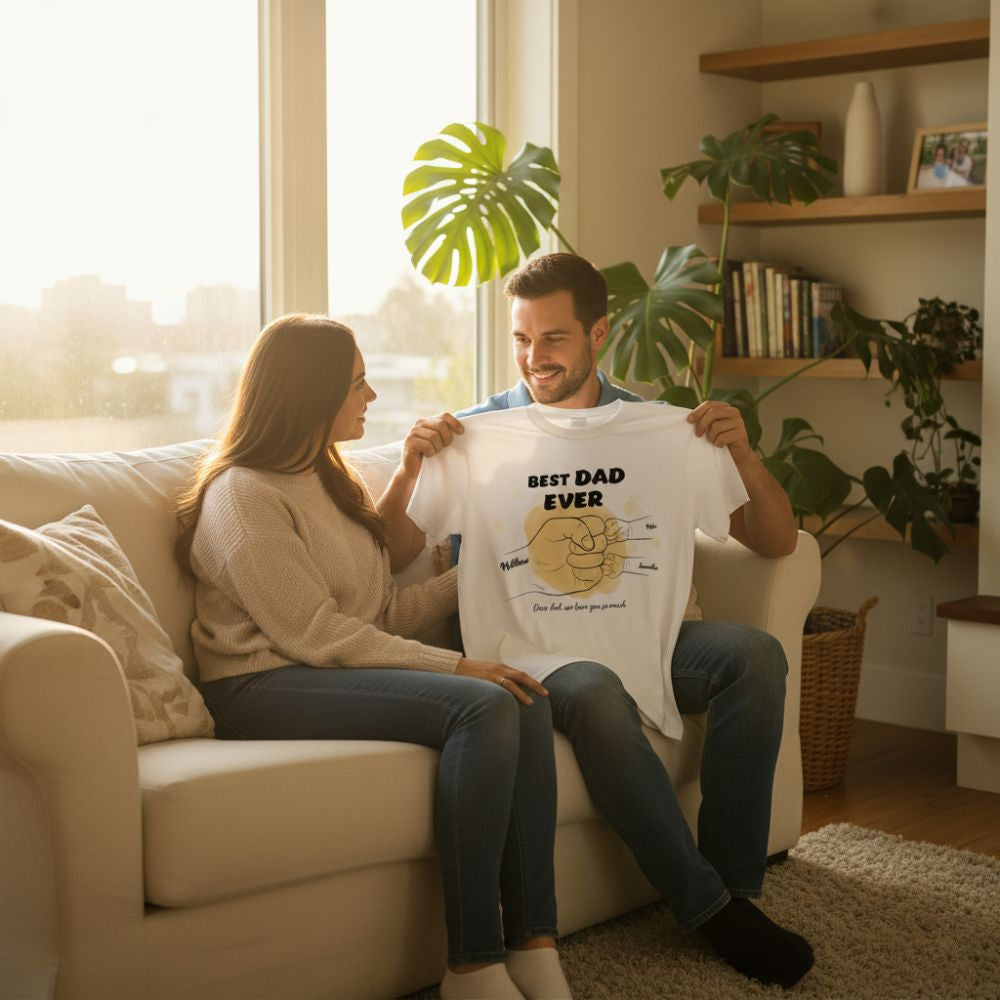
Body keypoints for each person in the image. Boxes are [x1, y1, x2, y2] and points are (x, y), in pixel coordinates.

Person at [379, 254, 815, 989]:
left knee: (756, 656)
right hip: (533, 647)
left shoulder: (658, 430)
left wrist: (741, 453)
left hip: (643, 632)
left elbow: (773, 541)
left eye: (552, 339)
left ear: (599, 333)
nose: (533, 357)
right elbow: (392, 554)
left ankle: (739, 891)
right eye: (521, 339)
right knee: (597, 688)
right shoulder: (480, 432)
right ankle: (706, 908)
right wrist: (410, 469)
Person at [174, 314, 572, 1000]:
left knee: (521, 693)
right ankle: (471, 965)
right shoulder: (242, 495)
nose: (372, 398)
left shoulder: (333, 480)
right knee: (481, 705)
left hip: (315, 665)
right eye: (358, 383)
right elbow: (316, 633)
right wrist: (455, 666)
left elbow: (380, 613)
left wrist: (488, 574)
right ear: (311, 392)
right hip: (258, 686)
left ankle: (533, 941)